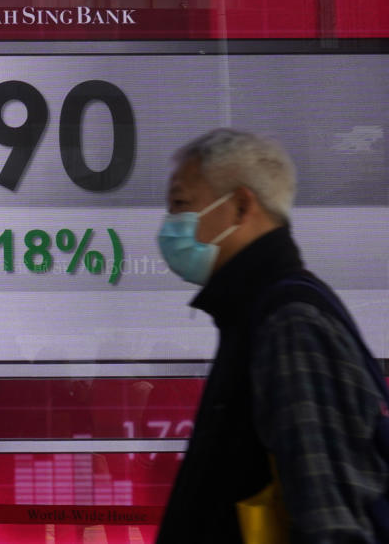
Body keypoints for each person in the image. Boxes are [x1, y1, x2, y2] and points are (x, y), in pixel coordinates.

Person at [155, 128, 387, 542]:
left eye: (181, 205)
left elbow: (330, 522)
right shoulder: (254, 313)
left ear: (242, 205)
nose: (170, 226)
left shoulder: (289, 323)